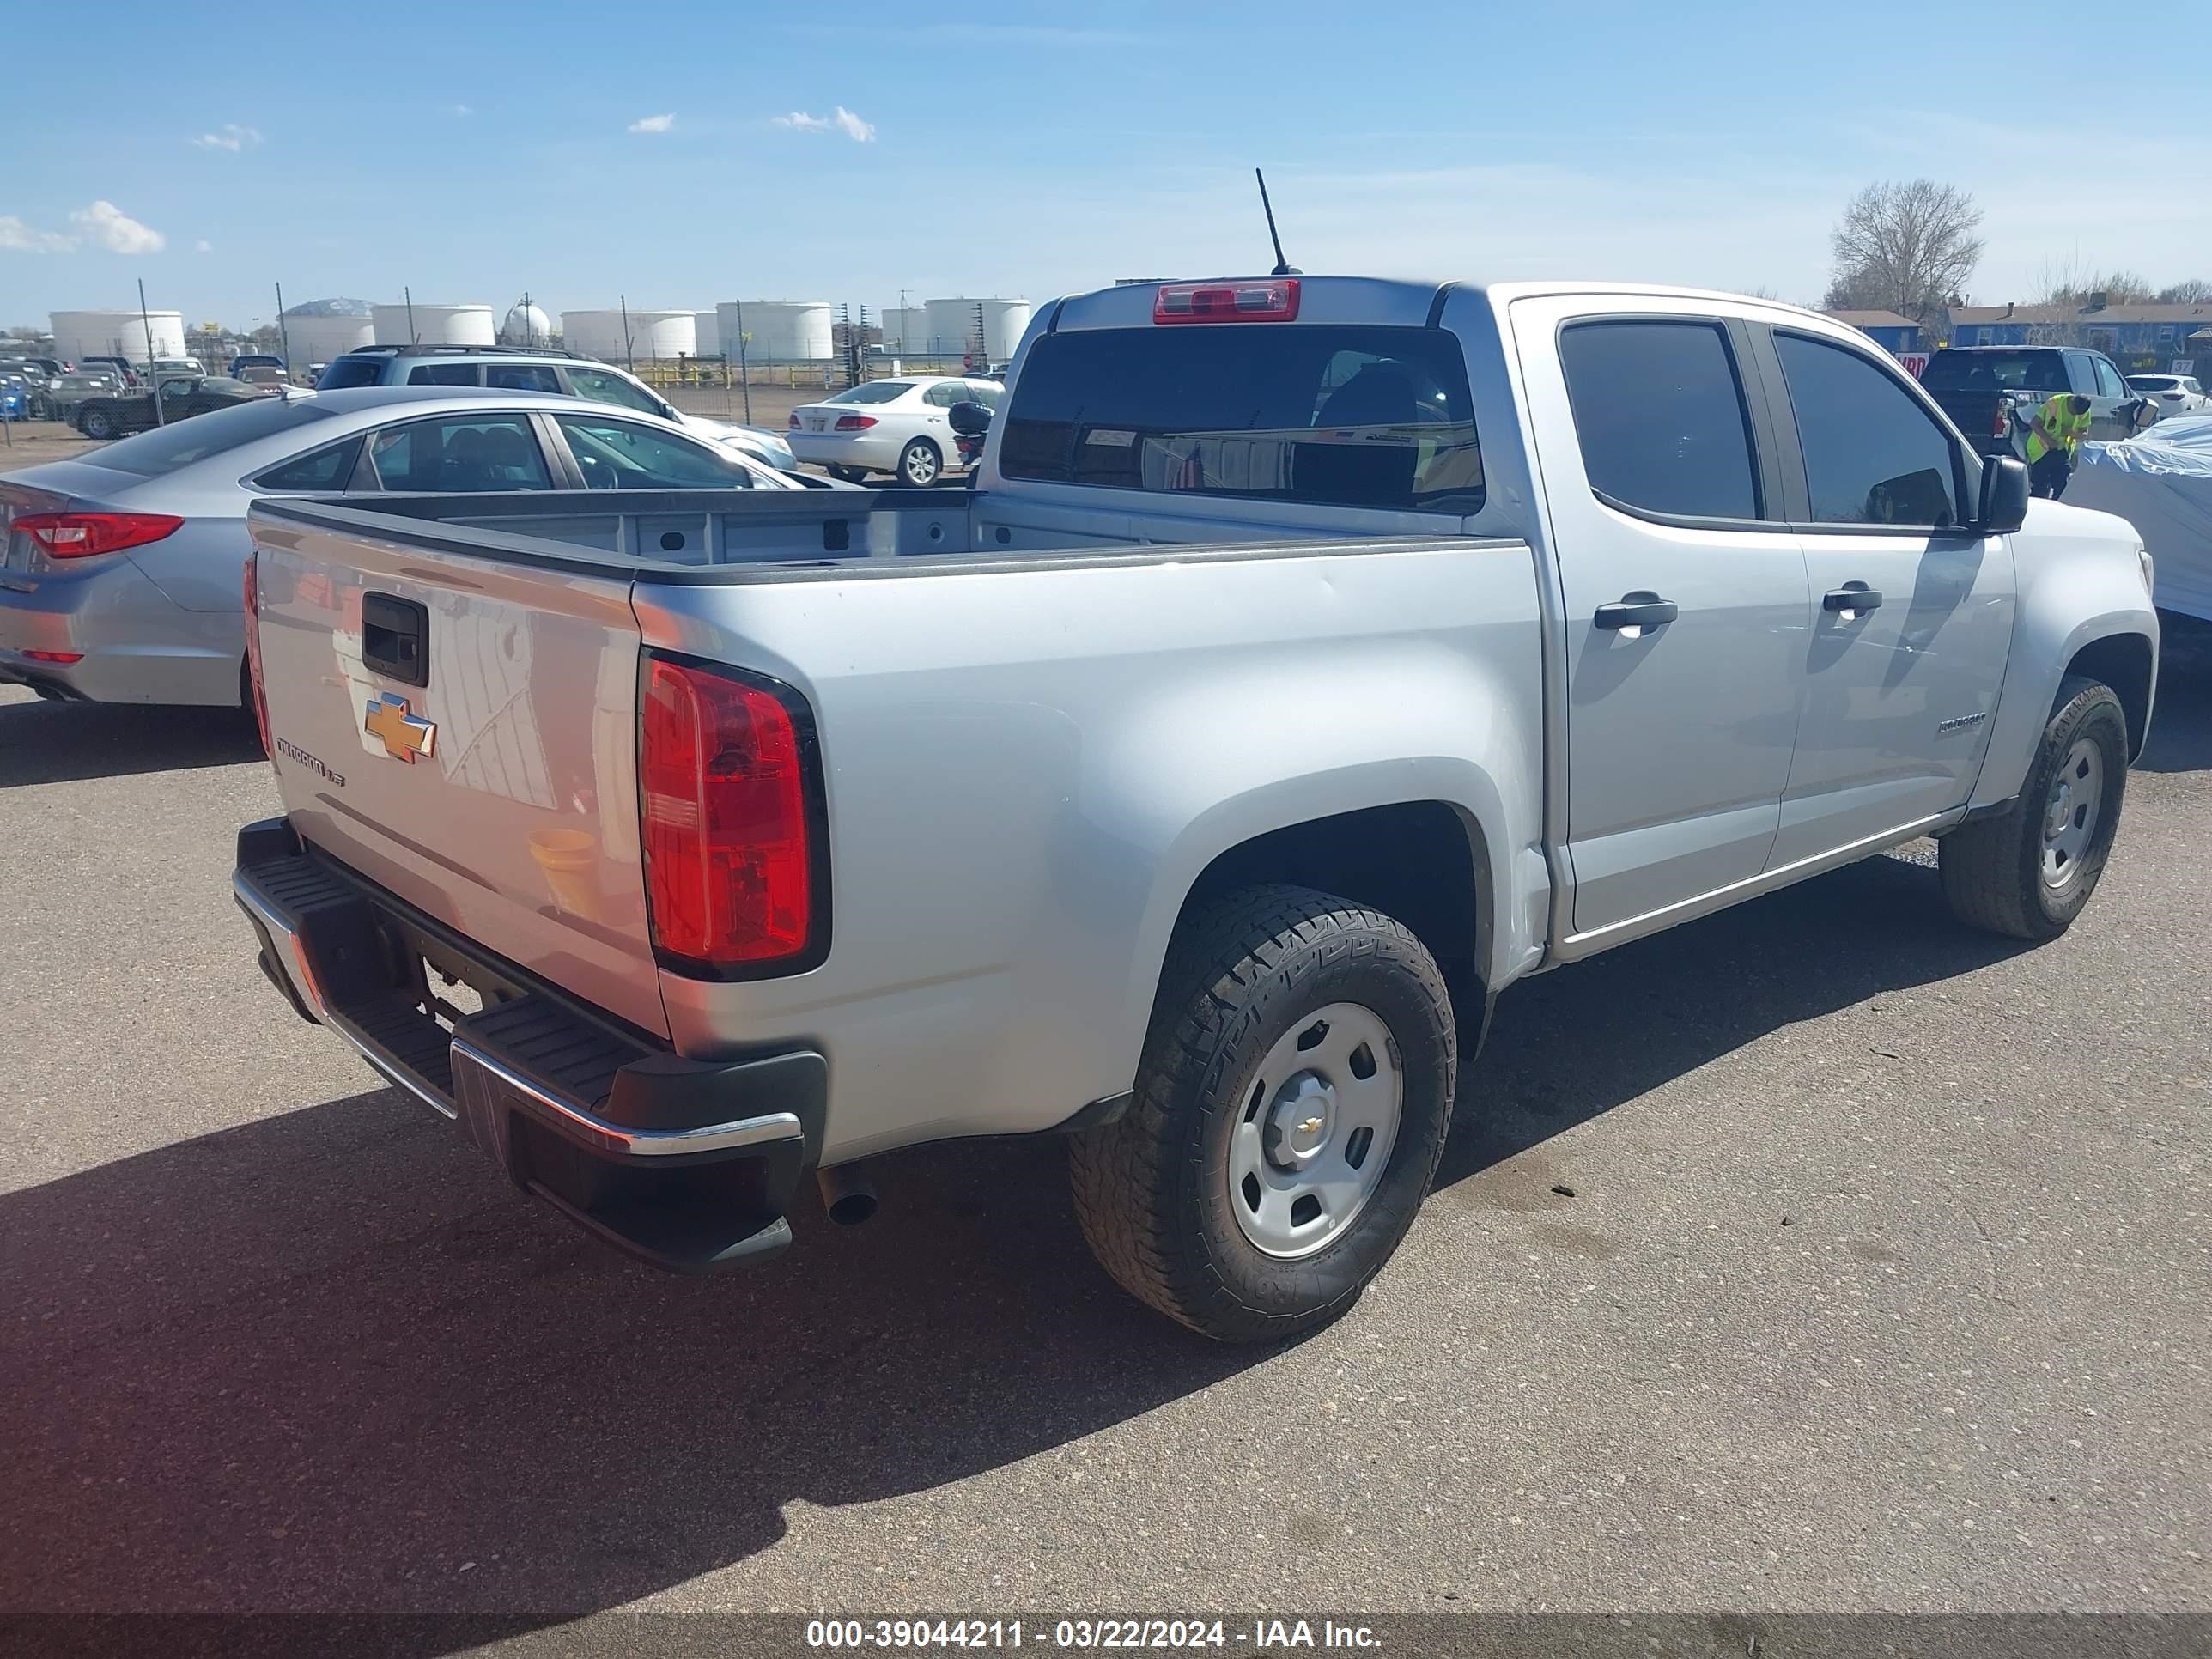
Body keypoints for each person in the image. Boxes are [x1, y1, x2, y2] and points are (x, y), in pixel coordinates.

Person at [2024, 392, 2094, 500]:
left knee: (2062, 486)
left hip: (2062, 450)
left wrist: (2072, 433)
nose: (2075, 415)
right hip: (2042, 449)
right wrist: (2048, 440)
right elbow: (2034, 423)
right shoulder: (2054, 403)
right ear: (2072, 402)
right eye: (2073, 412)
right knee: (2040, 488)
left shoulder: (2084, 411)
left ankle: (2056, 511)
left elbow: (2084, 433)